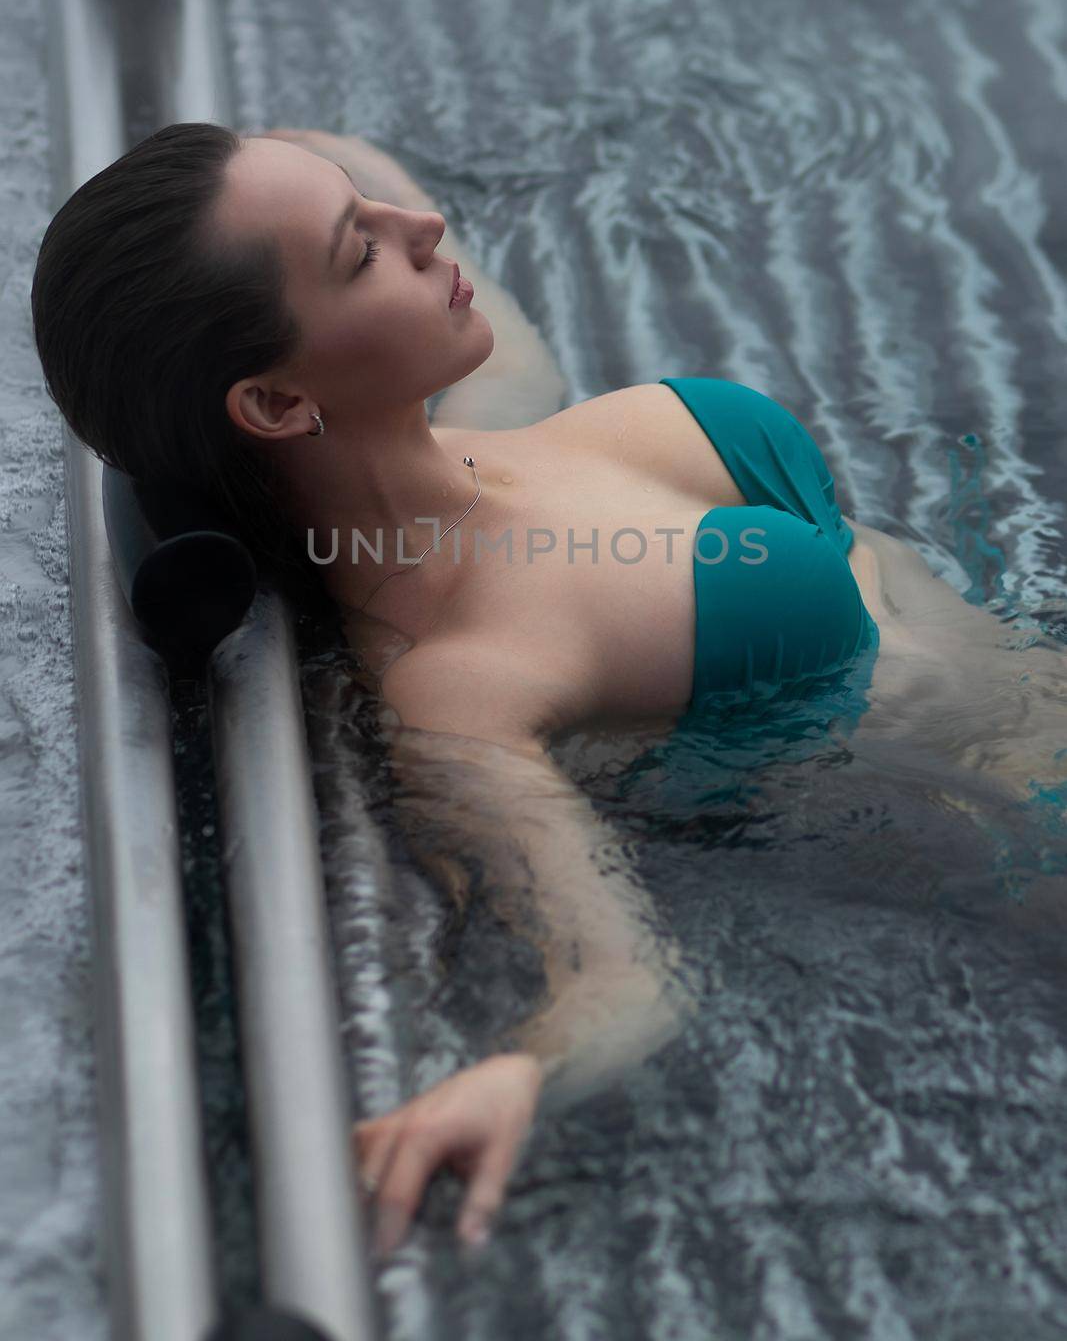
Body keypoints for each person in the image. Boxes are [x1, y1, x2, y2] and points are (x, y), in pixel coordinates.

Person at [31, 124, 1067, 1259]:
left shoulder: (492, 420)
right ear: (276, 406)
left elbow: (412, 216)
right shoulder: (461, 679)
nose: (416, 234)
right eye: (358, 251)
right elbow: (622, 980)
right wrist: (517, 1073)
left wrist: (323, 169)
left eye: (373, 216)